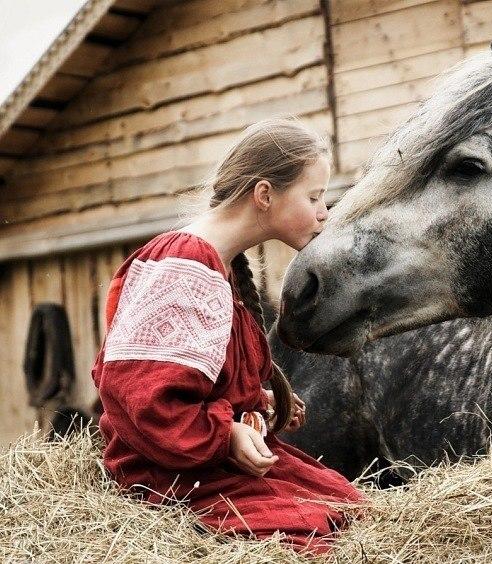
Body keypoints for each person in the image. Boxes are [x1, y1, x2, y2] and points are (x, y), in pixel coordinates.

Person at [91, 118, 365, 555]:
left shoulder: (217, 264)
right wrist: (226, 435)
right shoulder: (186, 265)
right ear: (264, 194)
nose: (323, 212)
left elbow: (201, 378)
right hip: (170, 472)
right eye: (313, 196)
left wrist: (257, 407)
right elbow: (142, 398)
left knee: (351, 508)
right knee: (312, 535)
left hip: (204, 464)